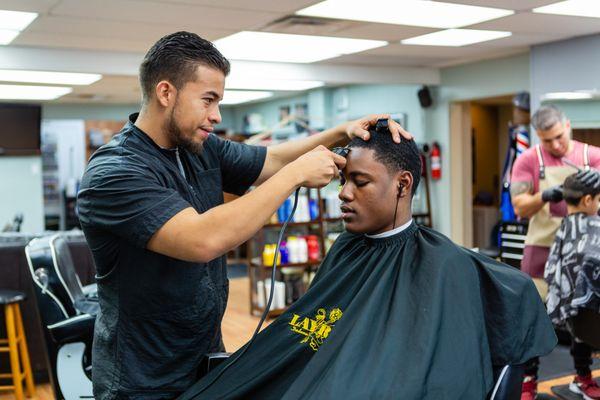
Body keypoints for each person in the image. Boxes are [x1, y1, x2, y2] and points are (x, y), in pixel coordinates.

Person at [76, 31, 411, 399]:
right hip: (142, 379)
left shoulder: (198, 147)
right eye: (208, 100)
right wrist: (297, 174)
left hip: (203, 360)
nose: (216, 116)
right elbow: (202, 239)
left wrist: (340, 132)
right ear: (166, 92)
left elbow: (273, 159)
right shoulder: (114, 173)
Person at [179, 128, 557, 400]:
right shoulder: (346, 248)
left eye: (360, 182)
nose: (343, 193)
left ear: (402, 185)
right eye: (344, 180)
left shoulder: (445, 267)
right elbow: (318, 328)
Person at [510, 105, 600, 399]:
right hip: (542, 250)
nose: (555, 145)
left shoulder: (592, 156)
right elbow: (519, 206)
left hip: (582, 254)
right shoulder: (528, 160)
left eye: (559, 136)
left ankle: (583, 377)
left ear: (568, 126)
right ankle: (528, 381)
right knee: (532, 316)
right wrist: (544, 196)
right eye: (547, 140)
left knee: (581, 315)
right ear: (538, 137)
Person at [544, 169, 600, 400]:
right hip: (594, 318)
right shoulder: (594, 229)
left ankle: (583, 378)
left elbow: (551, 271)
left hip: (575, 318)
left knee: (582, 327)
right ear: (588, 200)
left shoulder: (566, 227)